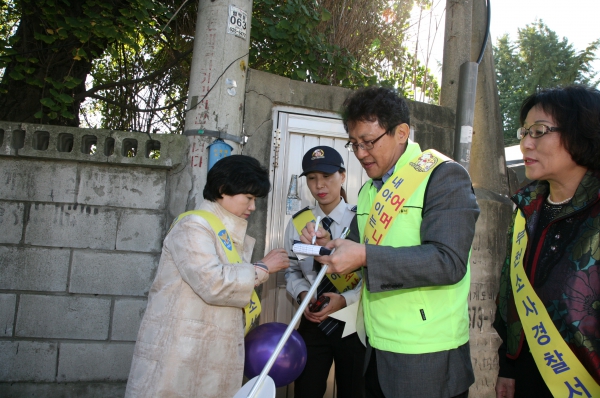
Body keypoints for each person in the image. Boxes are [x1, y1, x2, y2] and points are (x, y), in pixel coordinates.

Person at [300, 87, 480, 398]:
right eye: (354, 144)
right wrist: (328, 246)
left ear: (401, 133)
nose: (360, 153)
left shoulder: (443, 176)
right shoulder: (370, 190)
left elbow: (447, 261)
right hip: (376, 345)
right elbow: (355, 250)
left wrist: (366, 255)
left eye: (368, 142)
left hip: (427, 352)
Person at [124, 155, 290, 398]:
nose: (253, 207)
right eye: (249, 198)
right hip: (181, 354)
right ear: (223, 190)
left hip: (203, 353)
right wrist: (262, 268)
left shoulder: (219, 229)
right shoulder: (193, 225)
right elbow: (213, 282)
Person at [493, 85, 600, 398]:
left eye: (539, 131)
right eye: (524, 131)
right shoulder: (527, 209)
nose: (525, 143)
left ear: (582, 133)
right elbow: (509, 292)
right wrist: (508, 366)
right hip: (528, 376)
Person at [284, 145, 365, 397]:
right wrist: (303, 296)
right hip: (313, 323)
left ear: (342, 176)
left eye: (327, 177)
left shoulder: (360, 221)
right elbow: (292, 270)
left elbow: (375, 275)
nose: (319, 185)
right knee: (306, 390)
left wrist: (344, 299)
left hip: (353, 323)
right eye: (311, 178)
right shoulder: (299, 223)